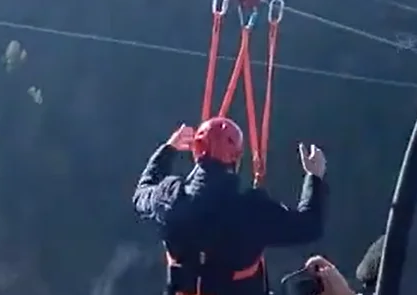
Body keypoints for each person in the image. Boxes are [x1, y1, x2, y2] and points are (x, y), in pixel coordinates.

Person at [133, 116, 328, 295]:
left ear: (197, 150)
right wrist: (314, 177)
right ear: (236, 157)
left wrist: (169, 148)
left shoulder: (170, 198)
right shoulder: (252, 211)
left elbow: (142, 192)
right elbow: (310, 226)